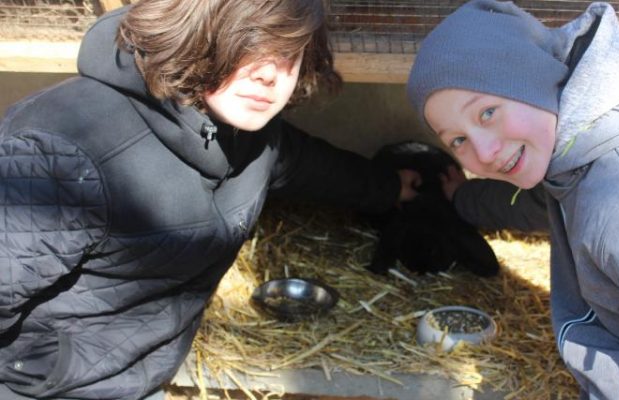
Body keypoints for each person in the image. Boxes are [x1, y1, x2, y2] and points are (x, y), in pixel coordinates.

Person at [0, 1, 420, 399]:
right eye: (251, 45)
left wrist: (391, 187)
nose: (270, 74)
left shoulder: (246, 131)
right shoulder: (63, 154)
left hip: (132, 375)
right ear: (198, 34)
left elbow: (307, 164)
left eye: (289, 53)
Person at [407, 0, 619, 398]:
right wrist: (464, 197)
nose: (484, 153)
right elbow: (531, 205)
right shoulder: (575, 165)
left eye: (487, 113)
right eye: (458, 140)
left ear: (531, 78)